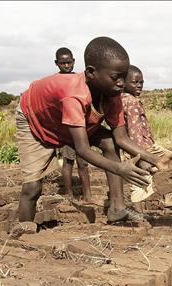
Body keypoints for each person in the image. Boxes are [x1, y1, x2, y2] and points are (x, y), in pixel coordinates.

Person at [17, 36, 162, 224]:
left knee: (109, 142)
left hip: (70, 122)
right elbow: (82, 149)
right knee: (32, 188)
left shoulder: (112, 94)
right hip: (36, 120)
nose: (121, 83)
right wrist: (120, 168)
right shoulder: (74, 95)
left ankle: (117, 209)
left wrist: (155, 160)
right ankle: (24, 231)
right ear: (92, 72)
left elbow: (121, 138)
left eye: (123, 76)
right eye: (115, 77)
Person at [120, 65, 172, 203]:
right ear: (124, 83)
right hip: (144, 147)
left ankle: (157, 198)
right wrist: (142, 155)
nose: (139, 85)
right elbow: (134, 130)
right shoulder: (131, 101)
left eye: (141, 82)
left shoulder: (121, 99)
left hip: (132, 147)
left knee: (142, 176)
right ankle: (161, 198)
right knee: (167, 163)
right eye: (135, 82)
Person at [54, 47, 95, 202]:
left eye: (69, 62)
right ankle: (69, 194)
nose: (66, 65)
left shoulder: (80, 79)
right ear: (56, 63)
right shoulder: (56, 81)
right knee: (68, 162)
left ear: (74, 61)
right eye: (62, 63)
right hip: (65, 128)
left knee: (83, 162)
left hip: (80, 126)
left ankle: (87, 195)